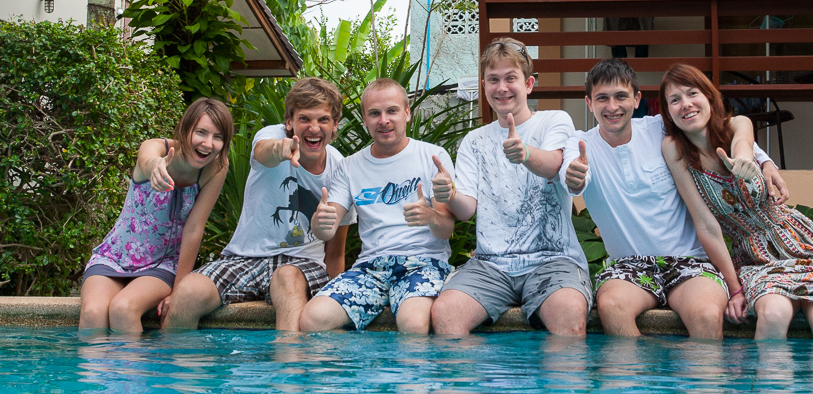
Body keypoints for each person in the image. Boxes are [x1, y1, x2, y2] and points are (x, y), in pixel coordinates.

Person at [560, 58, 790, 338]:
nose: (612, 107)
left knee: (706, 314)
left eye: (621, 96)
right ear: (589, 103)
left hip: (691, 262)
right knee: (612, 306)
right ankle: (635, 381)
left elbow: (724, 129)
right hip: (629, 267)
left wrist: (764, 162)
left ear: (636, 99)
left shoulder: (660, 128)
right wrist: (574, 177)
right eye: (602, 98)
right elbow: (571, 173)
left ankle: (701, 382)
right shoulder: (580, 143)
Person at [658, 62, 813, 340]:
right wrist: (735, 289)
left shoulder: (737, 124)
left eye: (692, 93)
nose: (685, 104)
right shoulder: (674, 149)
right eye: (675, 99)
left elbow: (742, 144)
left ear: (709, 97)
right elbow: (706, 225)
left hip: (801, 245)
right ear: (668, 111)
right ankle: (772, 385)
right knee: (773, 315)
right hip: (755, 258)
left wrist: (746, 161)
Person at [162, 78, 352, 332]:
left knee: (286, 277)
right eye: (305, 119)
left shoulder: (342, 170)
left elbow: (336, 252)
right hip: (245, 257)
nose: (314, 128)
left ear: (335, 124)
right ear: (289, 122)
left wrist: (334, 303)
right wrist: (282, 149)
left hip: (301, 264)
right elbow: (264, 151)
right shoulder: (272, 136)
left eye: (323, 120)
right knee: (187, 292)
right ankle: (177, 370)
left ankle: (289, 368)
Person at [431, 37, 591, 336]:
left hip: (553, 259)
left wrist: (526, 154)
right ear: (484, 85)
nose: (502, 87)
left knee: (569, 314)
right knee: (445, 314)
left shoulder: (553, 121)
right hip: (491, 265)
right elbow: (466, 211)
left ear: (529, 84)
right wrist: (449, 194)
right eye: (493, 79)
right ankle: (489, 382)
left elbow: (556, 164)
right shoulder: (474, 141)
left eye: (510, 78)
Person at [300, 78, 454, 334]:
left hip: (423, 262)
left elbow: (446, 229)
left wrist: (430, 216)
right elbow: (327, 230)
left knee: (413, 324)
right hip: (370, 267)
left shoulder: (432, 156)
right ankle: (360, 370)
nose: (384, 120)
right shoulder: (350, 166)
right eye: (374, 113)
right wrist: (319, 224)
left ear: (407, 113)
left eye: (392, 111)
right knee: (312, 320)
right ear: (364, 119)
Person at [79, 98, 233, 332]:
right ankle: (96, 370)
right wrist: (156, 167)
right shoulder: (157, 147)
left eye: (218, 137)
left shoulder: (216, 168)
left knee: (123, 308)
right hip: (114, 256)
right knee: (93, 313)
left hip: (163, 265)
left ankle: (136, 370)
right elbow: (149, 159)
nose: (208, 144)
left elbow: (194, 229)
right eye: (201, 132)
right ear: (185, 129)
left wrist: (178, 292)